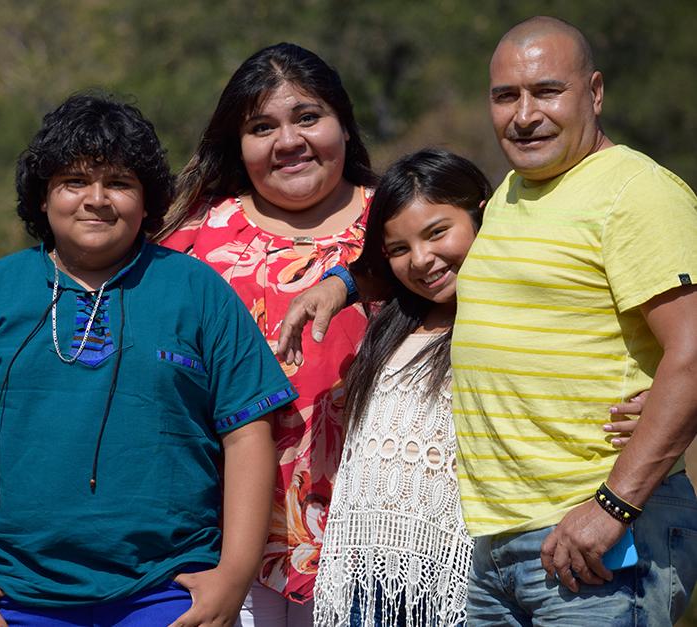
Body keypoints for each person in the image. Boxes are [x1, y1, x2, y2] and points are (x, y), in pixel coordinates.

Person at [282, 16, 697, 625]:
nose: (524, 114)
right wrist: (343, 283)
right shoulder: (508, 197)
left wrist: (612, 507)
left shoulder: (637, 192)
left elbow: (691, 353)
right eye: (506, 96)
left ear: (595, 91)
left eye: (547, 91)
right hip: (493, 548)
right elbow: (422, 265)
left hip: (594, 532)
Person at [0, 94, 296, 627]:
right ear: (42, 198)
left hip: (167, 593)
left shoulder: (197, 289)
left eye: (119, 183)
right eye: (74, 182)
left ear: (147, 199)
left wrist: (233, 574)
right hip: (15, 598)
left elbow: (249, 432)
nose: (97, 200)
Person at [156, 42, 379, 625]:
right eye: (262, 126)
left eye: (308, 117)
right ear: (238, 143)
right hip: (218, 552)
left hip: (378, 548)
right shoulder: (190, 241)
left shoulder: (404, 228)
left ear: (344, 126)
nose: (288, 141)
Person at [313, 149, 491, 627]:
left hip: (453, 576)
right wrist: (339, 282)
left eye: (437, 233)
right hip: (361, 572)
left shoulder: (504, 319)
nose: (422, 260)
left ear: (482, 214)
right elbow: (365, 272)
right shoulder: (395, 321)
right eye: (399, 249)